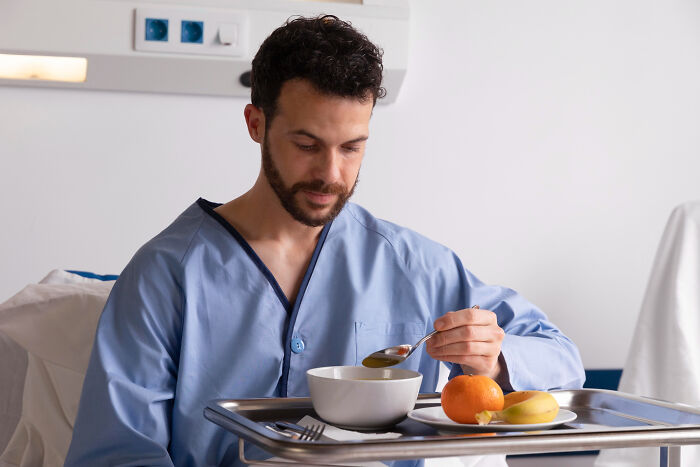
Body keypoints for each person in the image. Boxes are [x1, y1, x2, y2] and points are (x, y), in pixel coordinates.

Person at [65, 15, 585, 467]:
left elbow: (562, 357)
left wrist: (494, 360)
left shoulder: (415, 267)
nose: (331, 174)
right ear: (256, 124)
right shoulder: (167, 275)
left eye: (352, 147)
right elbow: (117, 452)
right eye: (307, 145)